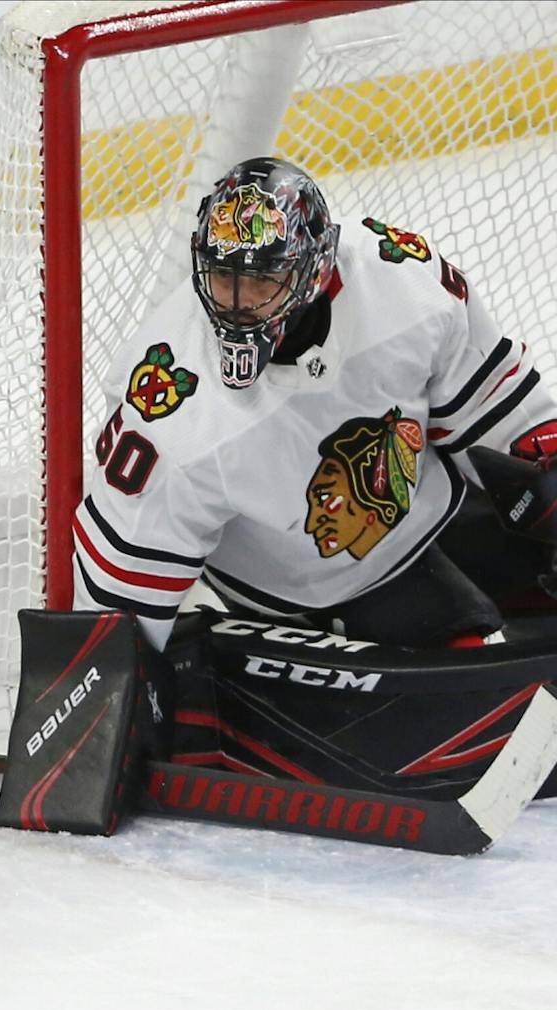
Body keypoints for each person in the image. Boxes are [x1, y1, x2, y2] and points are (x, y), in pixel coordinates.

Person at [73, 156, 557, 651]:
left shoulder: (401, 279)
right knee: (477, 668)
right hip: (310, 585)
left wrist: (547, 474)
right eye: (223, 278)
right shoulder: (170, 409)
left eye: (263, 281)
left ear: (315, 269)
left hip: (433, 507)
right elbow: (115, 608)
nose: (237, 304)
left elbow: (493, 404)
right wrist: (121, 681)